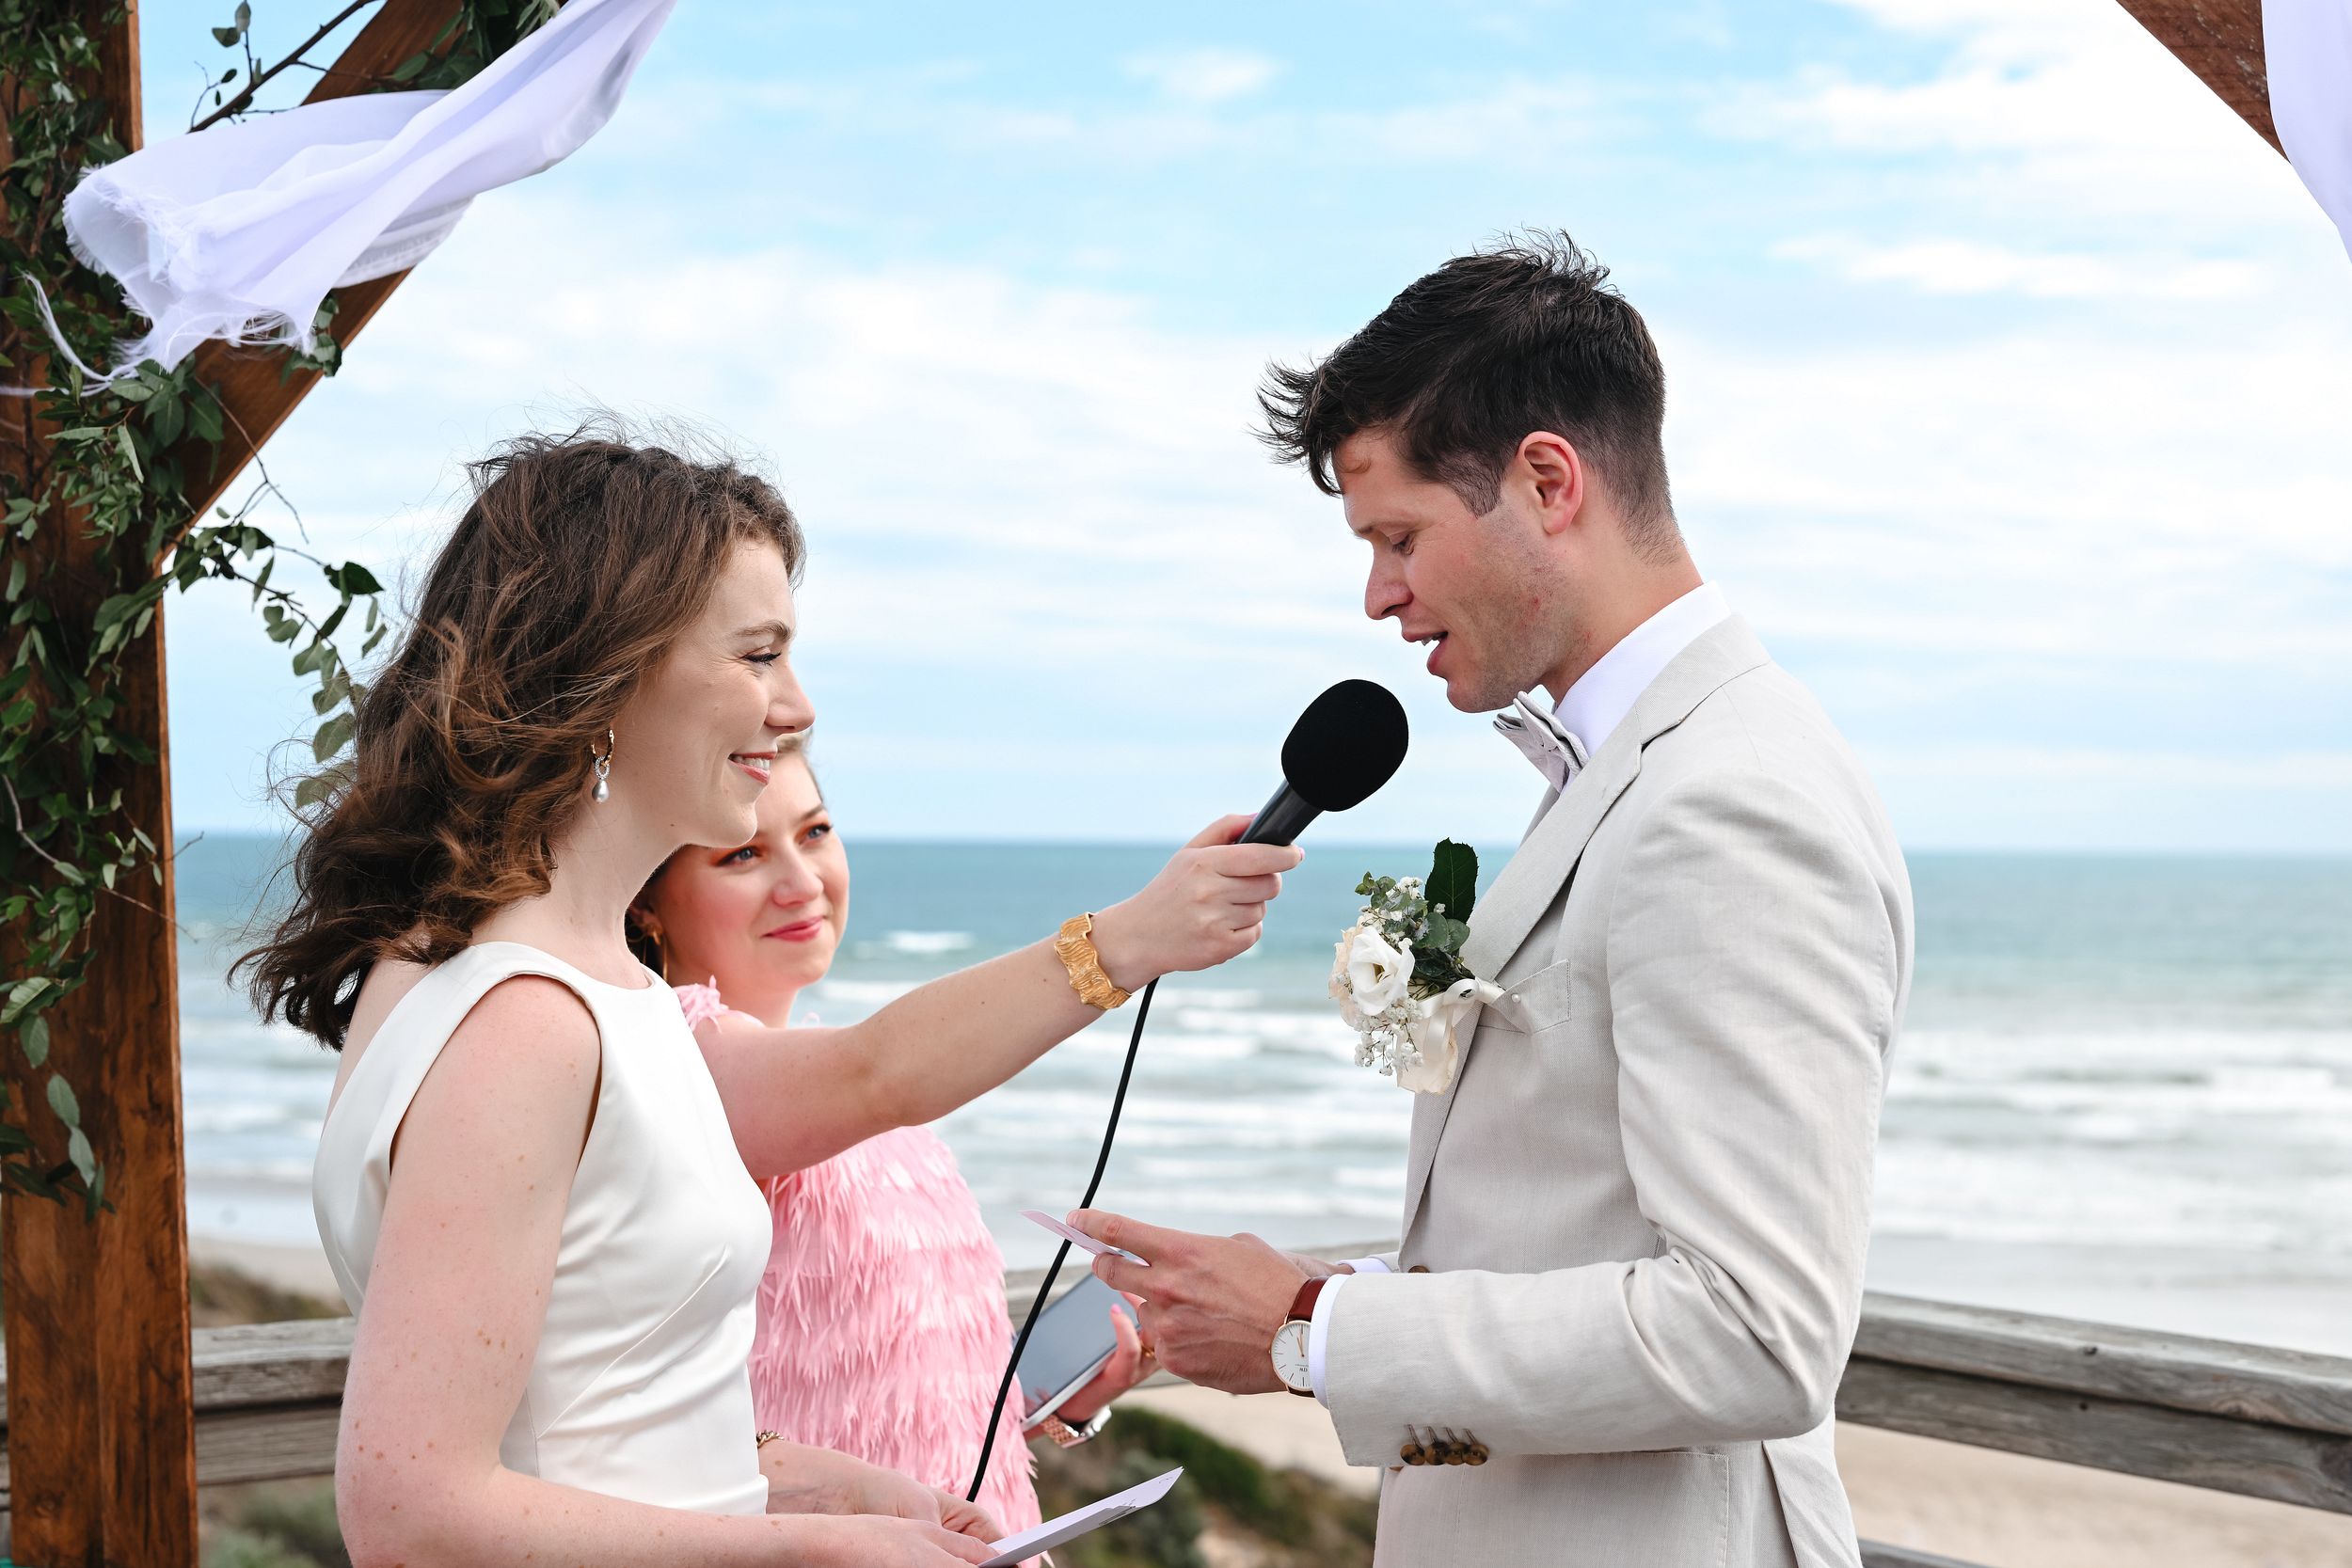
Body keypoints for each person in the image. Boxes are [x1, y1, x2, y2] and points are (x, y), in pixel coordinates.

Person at [247, 428, 1299, 1568]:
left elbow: (604, 1410)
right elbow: (414, 1515)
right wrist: (813, 1553)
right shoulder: (524, 1019)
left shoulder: (527, 976)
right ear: (609, 670)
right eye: (757, 655)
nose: (795, 707)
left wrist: (825, 1488)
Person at [1077, 236, 1914, 1568]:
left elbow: (1757, 1330)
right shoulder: (1631, 764)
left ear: (1546, 480)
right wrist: (1315, 1306)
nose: (1377, 594)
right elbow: (1570, 1226)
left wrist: (1312, 1327)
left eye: (1398, 535)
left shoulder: (1728, 797)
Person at [629, 742, 1150, 1547]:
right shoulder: (685, 1060)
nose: (802, 881)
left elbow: (898, 1383)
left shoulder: (833, 1075)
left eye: (815, 831)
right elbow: (879, 1068)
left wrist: (1060, 1400)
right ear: (647, 901)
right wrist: (1128, 939)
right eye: (743, 853)